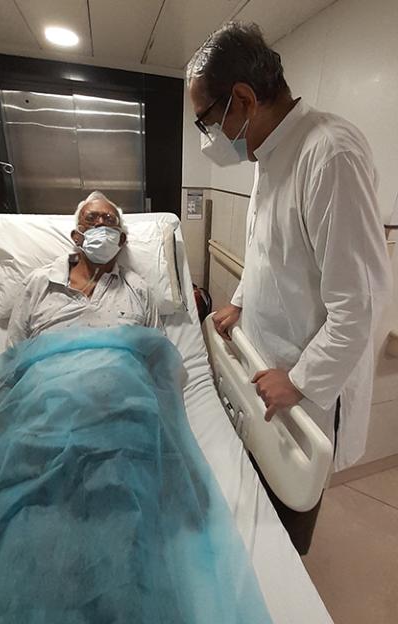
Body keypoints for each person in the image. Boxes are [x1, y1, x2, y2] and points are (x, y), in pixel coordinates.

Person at [187, 22, 392, 554]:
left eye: (206, 122)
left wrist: (299, 379)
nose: (208, 139)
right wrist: (238, 301)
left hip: (305, 389)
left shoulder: (329, 154)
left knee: (286, 524)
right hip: (265, 364)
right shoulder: (269, 155)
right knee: (258, 507)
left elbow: (361, 303)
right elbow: (268, 253)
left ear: (243, 99)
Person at [7, 191, 160, 347]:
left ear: (121, 239)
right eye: (91, 218)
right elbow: (13, 353)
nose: (100, 223)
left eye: (109, 219)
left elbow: (160, 355)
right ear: (77, 237)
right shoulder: (39, 283)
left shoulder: (138, 290)